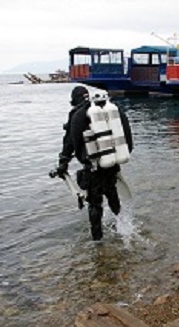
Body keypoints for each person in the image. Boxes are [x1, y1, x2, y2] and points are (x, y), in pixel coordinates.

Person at [54, 86, 133, 240]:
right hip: (112, 163)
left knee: (95, 203)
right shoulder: (107, 109)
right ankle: (123, 228)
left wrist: (63, 163)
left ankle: (97, 241)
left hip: (93, 167)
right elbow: (127, 137)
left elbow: (70, 142)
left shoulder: (78, 114)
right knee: (112, 194)